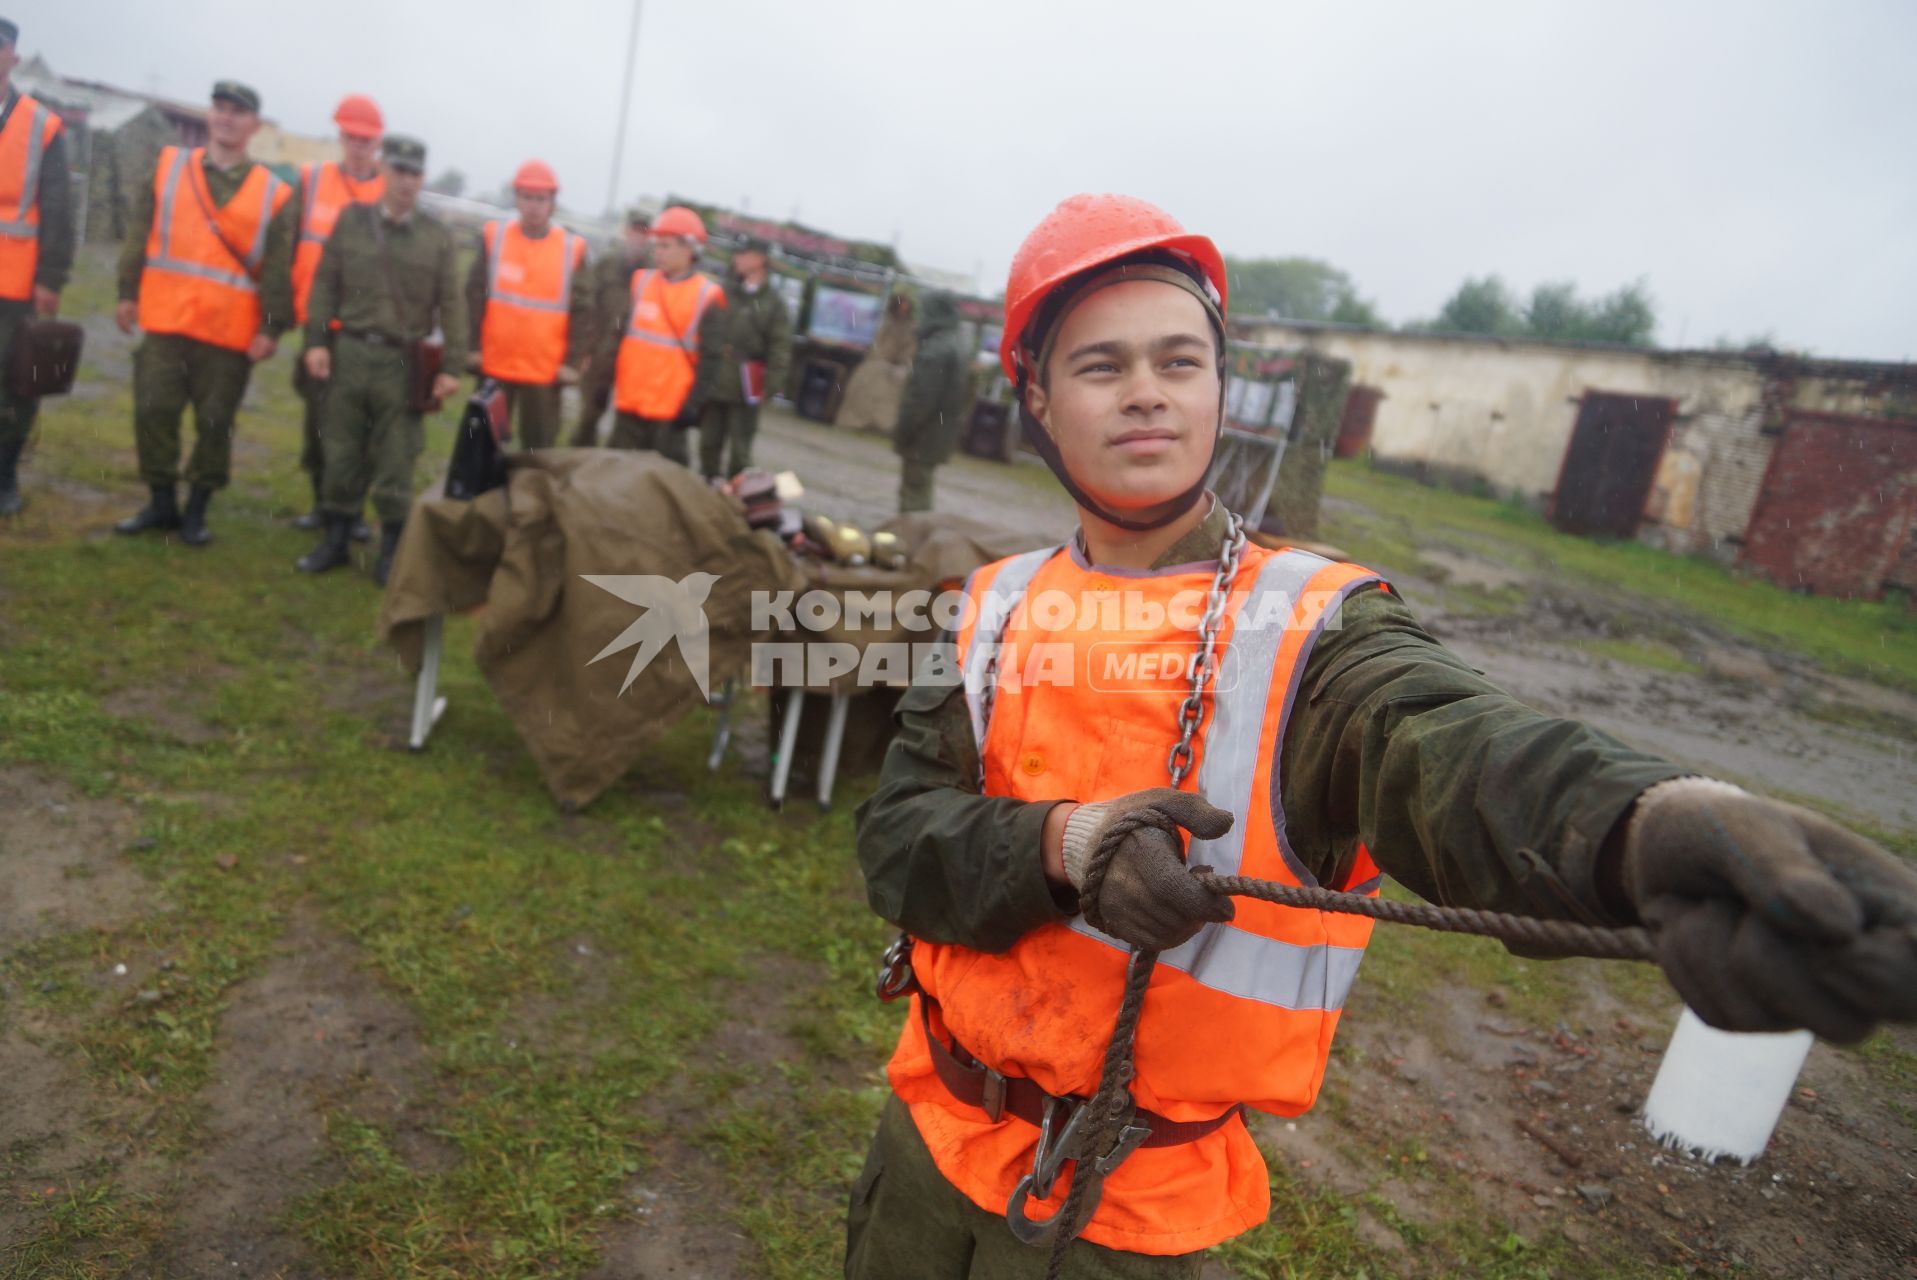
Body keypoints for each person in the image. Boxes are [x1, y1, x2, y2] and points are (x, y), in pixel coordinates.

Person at [846, 194, 1917, 1278]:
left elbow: (1446, 743)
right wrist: (1066, 848)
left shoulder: (1315, 623)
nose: (1145, 396)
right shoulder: (994, 604)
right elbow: (898, 836)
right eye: (1099, 365)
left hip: (1117, 1215)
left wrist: (1639, 827)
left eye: (1179, 360)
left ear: (1224, 385)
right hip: (926, 1142)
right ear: (1034, 395)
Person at [112, 81, 294, 546]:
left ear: (254, 125)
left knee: (215, 424)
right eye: (219, 108)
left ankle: (197, 510)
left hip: (228, 331)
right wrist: (127, 291)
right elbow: (140, 232)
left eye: (238, 112)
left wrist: (271, 327)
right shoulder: (170, 166)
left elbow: (278, 268)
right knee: (153, 410)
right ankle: (161, 503)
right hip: (166, 318)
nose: (226, 118)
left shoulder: (274, 192)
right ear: (210, 114)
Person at [294, 135, 463, 584]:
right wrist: (315, 341)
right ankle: (335, 538)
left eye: (414, 173)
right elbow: (324, 283)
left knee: (396, 457)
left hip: (401, 363)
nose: (405, 181)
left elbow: (453, 304)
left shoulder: (437, 237)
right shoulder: (351, 221)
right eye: (398, 170)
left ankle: (390, 549)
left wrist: (451, 367)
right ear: (383, 171)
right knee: (341, 448)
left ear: (422, 178)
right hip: (348, 352)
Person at [289, 93, 384, 536]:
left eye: (366, 139)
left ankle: (352, 511)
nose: (358, 145)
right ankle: (320, 504)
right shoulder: (310, 182)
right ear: (340, 135)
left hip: (367, 331)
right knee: (319, 423)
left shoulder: (389, 195)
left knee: (361, 428)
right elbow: (284, 248)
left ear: (377, 142)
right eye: (351, 136)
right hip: (320, 325)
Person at [0, 16, 75, 518]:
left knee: (14, 384)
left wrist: (50, 278)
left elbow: (58, 210)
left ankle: (4, 474)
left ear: (12, 58)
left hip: (15, 285)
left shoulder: (41, 126)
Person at [465, 159, 591, 450]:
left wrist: (571, 364)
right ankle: (483, 494)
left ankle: (534, 496)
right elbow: (472, 297)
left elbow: (584, 313)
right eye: (527, 197)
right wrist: (472, 348)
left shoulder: (572, 249)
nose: (534, 205)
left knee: (539, 450)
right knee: (482, 445)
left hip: (544, 371)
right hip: (495, 365)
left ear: (552, 203)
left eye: (541, 199)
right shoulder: (494, 238)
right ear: (516, 199)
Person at [602, 204, 724, 466]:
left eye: (666, 246)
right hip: (629, 405)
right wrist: (604, 381)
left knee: (664, 485)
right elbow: (617, 338)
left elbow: (711, 360)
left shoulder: (707, 296)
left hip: (669, 415)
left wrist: (693, 406)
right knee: (615, 477)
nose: (657, 252)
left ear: (689, 249)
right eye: (657, 245)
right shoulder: (641, 283)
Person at [698, 233, 790, 480]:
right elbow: (706, 329)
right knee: (708, 443)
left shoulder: (774, 303)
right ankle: (708, 487)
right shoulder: (725, 291)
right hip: (716, 377)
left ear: (759, 260)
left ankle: (735, 497)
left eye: (743, 254)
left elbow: (780, 347)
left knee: (740, 451)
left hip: (747, 384)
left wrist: (772, 385)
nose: (736, 259)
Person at [568, 208, 649, 447]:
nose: (638, 238)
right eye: (635, 231)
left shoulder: (652, 270)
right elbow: (588, 304)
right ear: (626, 232)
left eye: (643, 233)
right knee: (591, 409)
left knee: (628, 417)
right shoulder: (607, 263)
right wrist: (585, 347)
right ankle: (580, 453)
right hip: (601, 348)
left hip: (634, 354)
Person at [891, 290, 972, 513]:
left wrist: (902, 430)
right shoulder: (956, 341)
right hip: (938, 432)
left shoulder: (936, 348)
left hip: (923, 434)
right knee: (920, 490)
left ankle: (911, 543)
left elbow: (920, 399)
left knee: (914, 497)